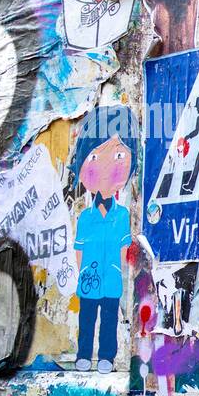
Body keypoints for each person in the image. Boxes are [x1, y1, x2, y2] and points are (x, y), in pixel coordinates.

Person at [72, 105, 136, 373]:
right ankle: (84, 355)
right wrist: (83, 272)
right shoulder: (85, 217)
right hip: (89, 277)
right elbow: (78, 248)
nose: (109, 167)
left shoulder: (121, 215)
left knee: (108, 318)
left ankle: (107, 357)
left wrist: (116, 269)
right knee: (86, 318)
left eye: (119, 155)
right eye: (96, 157)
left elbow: (125, 247)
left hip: (110, 277)